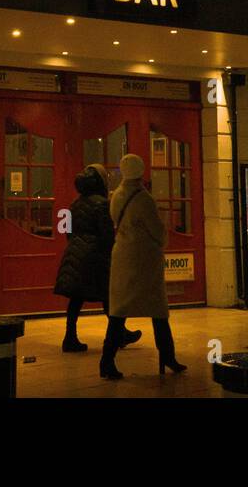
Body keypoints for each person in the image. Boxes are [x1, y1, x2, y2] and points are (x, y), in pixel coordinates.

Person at [99, 154, 186, 380]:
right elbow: (157, 231)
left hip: (122, 256)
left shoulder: (116, 195)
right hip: (144, 259)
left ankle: (106, 360)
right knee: (158, 310)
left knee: (119, 312)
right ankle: (168, 355)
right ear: (141, 172)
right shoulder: (143, 199)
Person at [52, 165, 140, 353]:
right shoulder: (102, 204)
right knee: (109, 296)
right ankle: (119, 335)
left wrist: (78, 244)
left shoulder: (74, 205)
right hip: (95, 256)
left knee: (76, 298)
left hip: (75, 253)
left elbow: (67, 232)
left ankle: (70, 337)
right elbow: (107, 235)